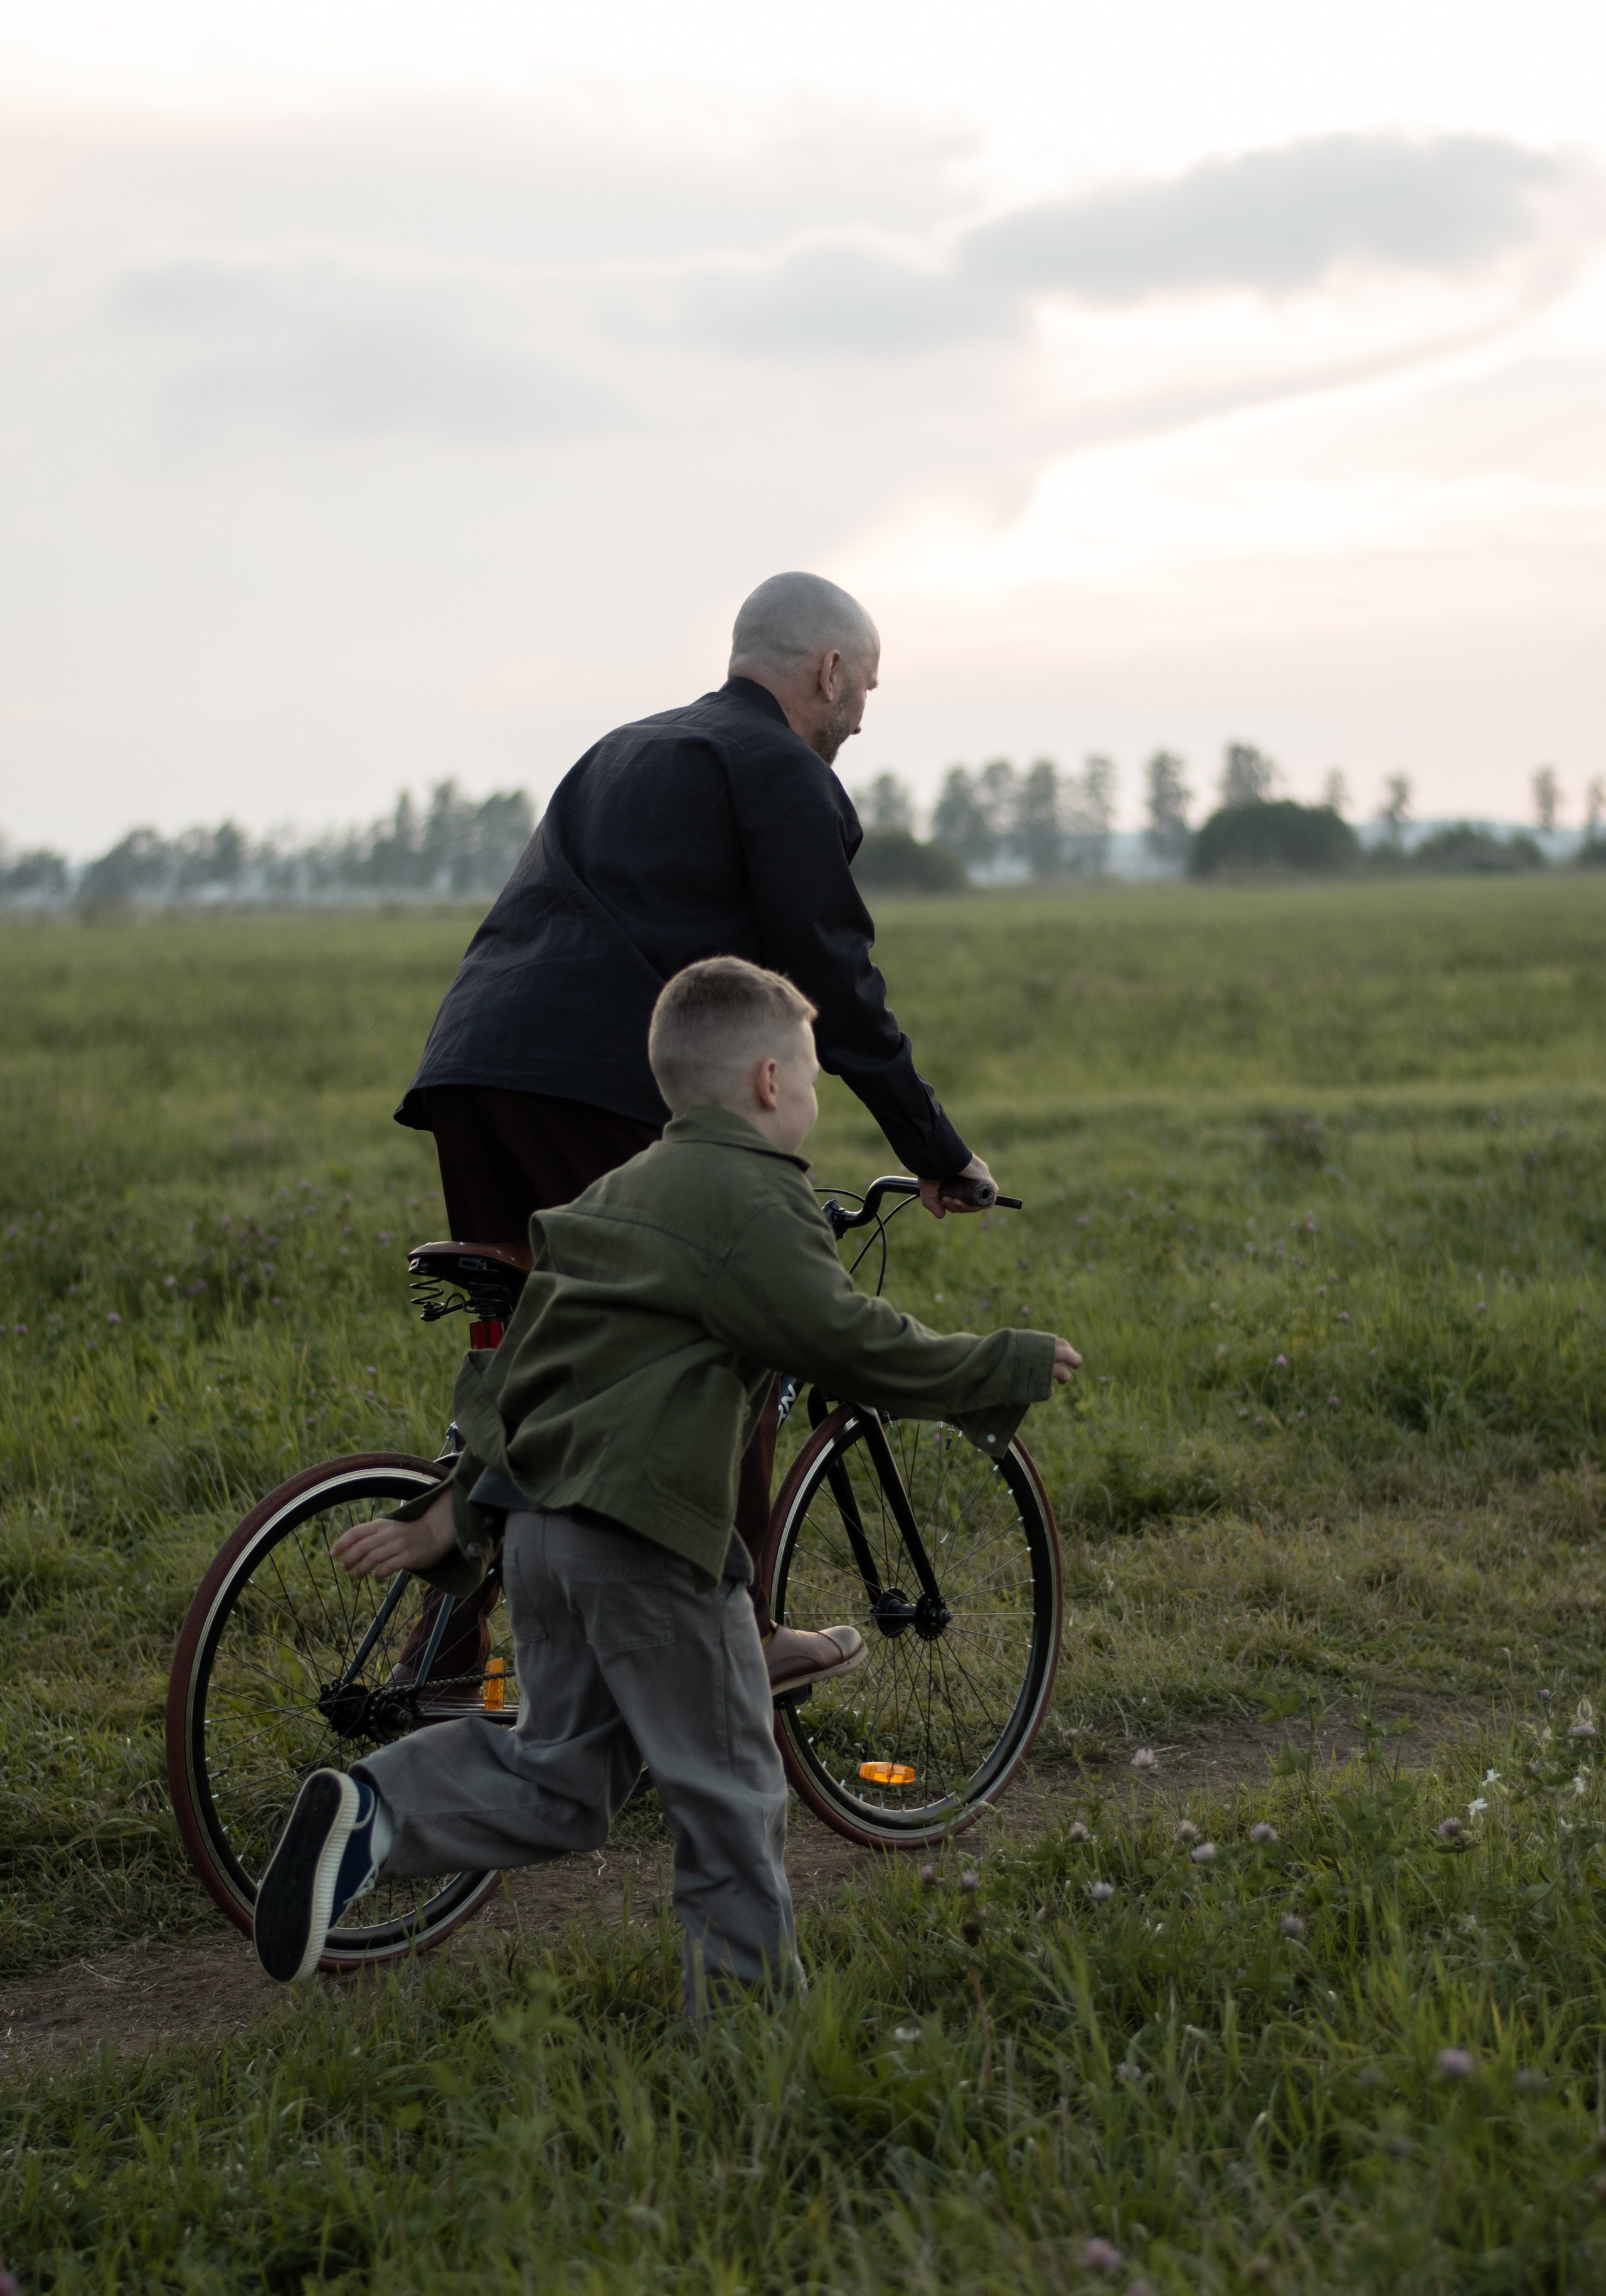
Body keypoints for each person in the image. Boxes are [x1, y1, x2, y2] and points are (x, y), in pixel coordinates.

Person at [254, 957, 1080, 2001]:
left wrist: (452, 1515)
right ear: (770, 1082)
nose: (814, 1099)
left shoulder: (607, 1195)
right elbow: (845, 1340)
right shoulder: (756, 1196)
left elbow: (522, 1372)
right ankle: (743, 2040)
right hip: (649, 1538)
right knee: (730, 1788)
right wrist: (998, 1364)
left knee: (563, 1778)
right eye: (812, 1076)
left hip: (540, 1531)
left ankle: (378, 1812)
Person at [394, 571, 998, 1695]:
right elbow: (834, 981)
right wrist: (936, 1148)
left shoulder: (625, 748)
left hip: (473, 1067)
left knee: (541, 1356)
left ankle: (439, 1656)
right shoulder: (783, 770)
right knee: (733, 1321)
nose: (863, 716)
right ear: (829, 670)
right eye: (866, 688)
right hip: (602, 1081)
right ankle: (739, 1634)